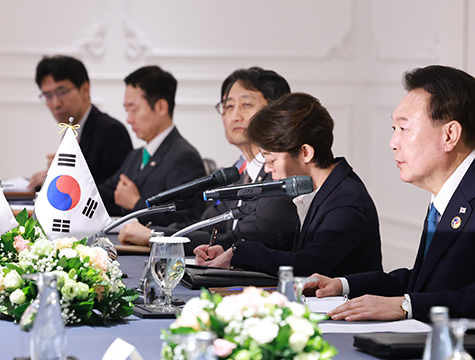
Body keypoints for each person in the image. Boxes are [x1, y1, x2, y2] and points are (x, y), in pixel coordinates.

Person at [303, 65, 475, 359]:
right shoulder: (450, 194)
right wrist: (344, 284)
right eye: (394, 129)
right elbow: (430, 280)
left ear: (450, 135)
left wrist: (406, 305)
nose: (393, 142)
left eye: (404, 128)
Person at [194, 93, 383, 277]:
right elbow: (283, 243)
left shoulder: (346, 199)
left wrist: (239, 253)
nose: (267, 169)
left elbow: (308, 265)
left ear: (306, 153)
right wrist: (230, 252)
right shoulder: (314, 189)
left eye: (272, 160)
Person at [118, 67, 298, 255]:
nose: (235, 116)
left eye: (246, 105)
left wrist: (154, 237)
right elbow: (204, 227)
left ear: (276, 112)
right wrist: (154, 234)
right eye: (228, 107)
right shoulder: (238, 174)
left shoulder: (281, 174)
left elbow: (241, 240)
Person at [98, 65, 207, 226]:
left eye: (134, 110)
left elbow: (189, 221)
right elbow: (105, 195)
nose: (128, 119)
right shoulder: (135, 156)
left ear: (161, 107)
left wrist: (136, 204)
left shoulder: (184, 157)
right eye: (126, 110)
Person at [28, 55, 132, 190]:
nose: (56, 104)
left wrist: (65, 176)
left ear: (85, 89)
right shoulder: (71, 130)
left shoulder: (111, 131)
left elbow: (115, 195)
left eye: (62, 92)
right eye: (48, 96)